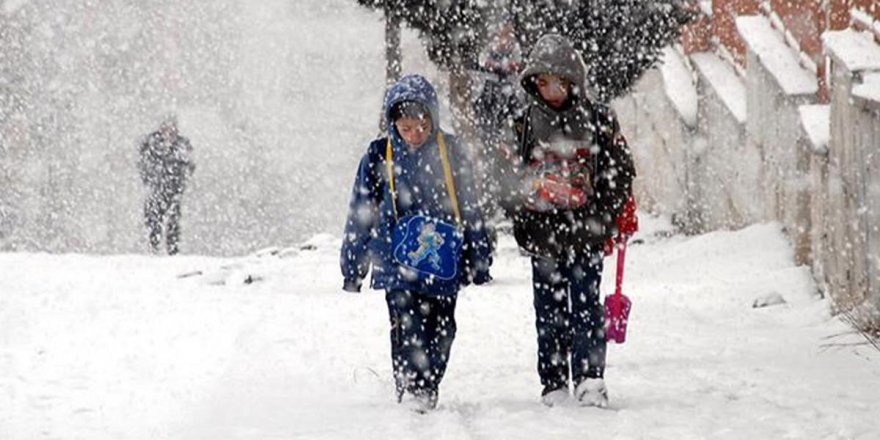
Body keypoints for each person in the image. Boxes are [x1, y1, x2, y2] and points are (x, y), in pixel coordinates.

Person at [340, 74, 492, 412]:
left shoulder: (451, 151)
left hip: (443, 260)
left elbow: (470, 206)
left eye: (421, 127)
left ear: (433, 120)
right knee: (405, 324)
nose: (414, 135)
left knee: (442, 327)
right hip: (394, 259)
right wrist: (353, 265)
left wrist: (479, 257)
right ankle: (410, 386)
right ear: (394, 123)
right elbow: (361, 210)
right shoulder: (380, 154)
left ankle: (429, 382)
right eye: (406, 128)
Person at [504, 34, 635, 407]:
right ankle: (554, 382)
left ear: (574, 80)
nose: (552, 91)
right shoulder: (523, 123)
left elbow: (620, 170)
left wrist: (604, 214)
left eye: (559, 82)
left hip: (586, 231)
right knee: (548, 310)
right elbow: (505, 174)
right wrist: (523, 212)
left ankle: (591, 378)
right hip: (543, 235)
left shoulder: (598, 119)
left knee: (586, 305)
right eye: (543, 83)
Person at [137, 115, 195, 255]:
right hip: (156, 189)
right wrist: (152, 179)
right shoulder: (151, 144)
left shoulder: (181, 146)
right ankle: (153, 248)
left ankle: (172, 250)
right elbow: (144, 165)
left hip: (174, 190)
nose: (169, 132)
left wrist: (181, 180)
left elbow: (189, 165)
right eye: (166, 127)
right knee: (153, 219)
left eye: (172, 128)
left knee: (173, 221)